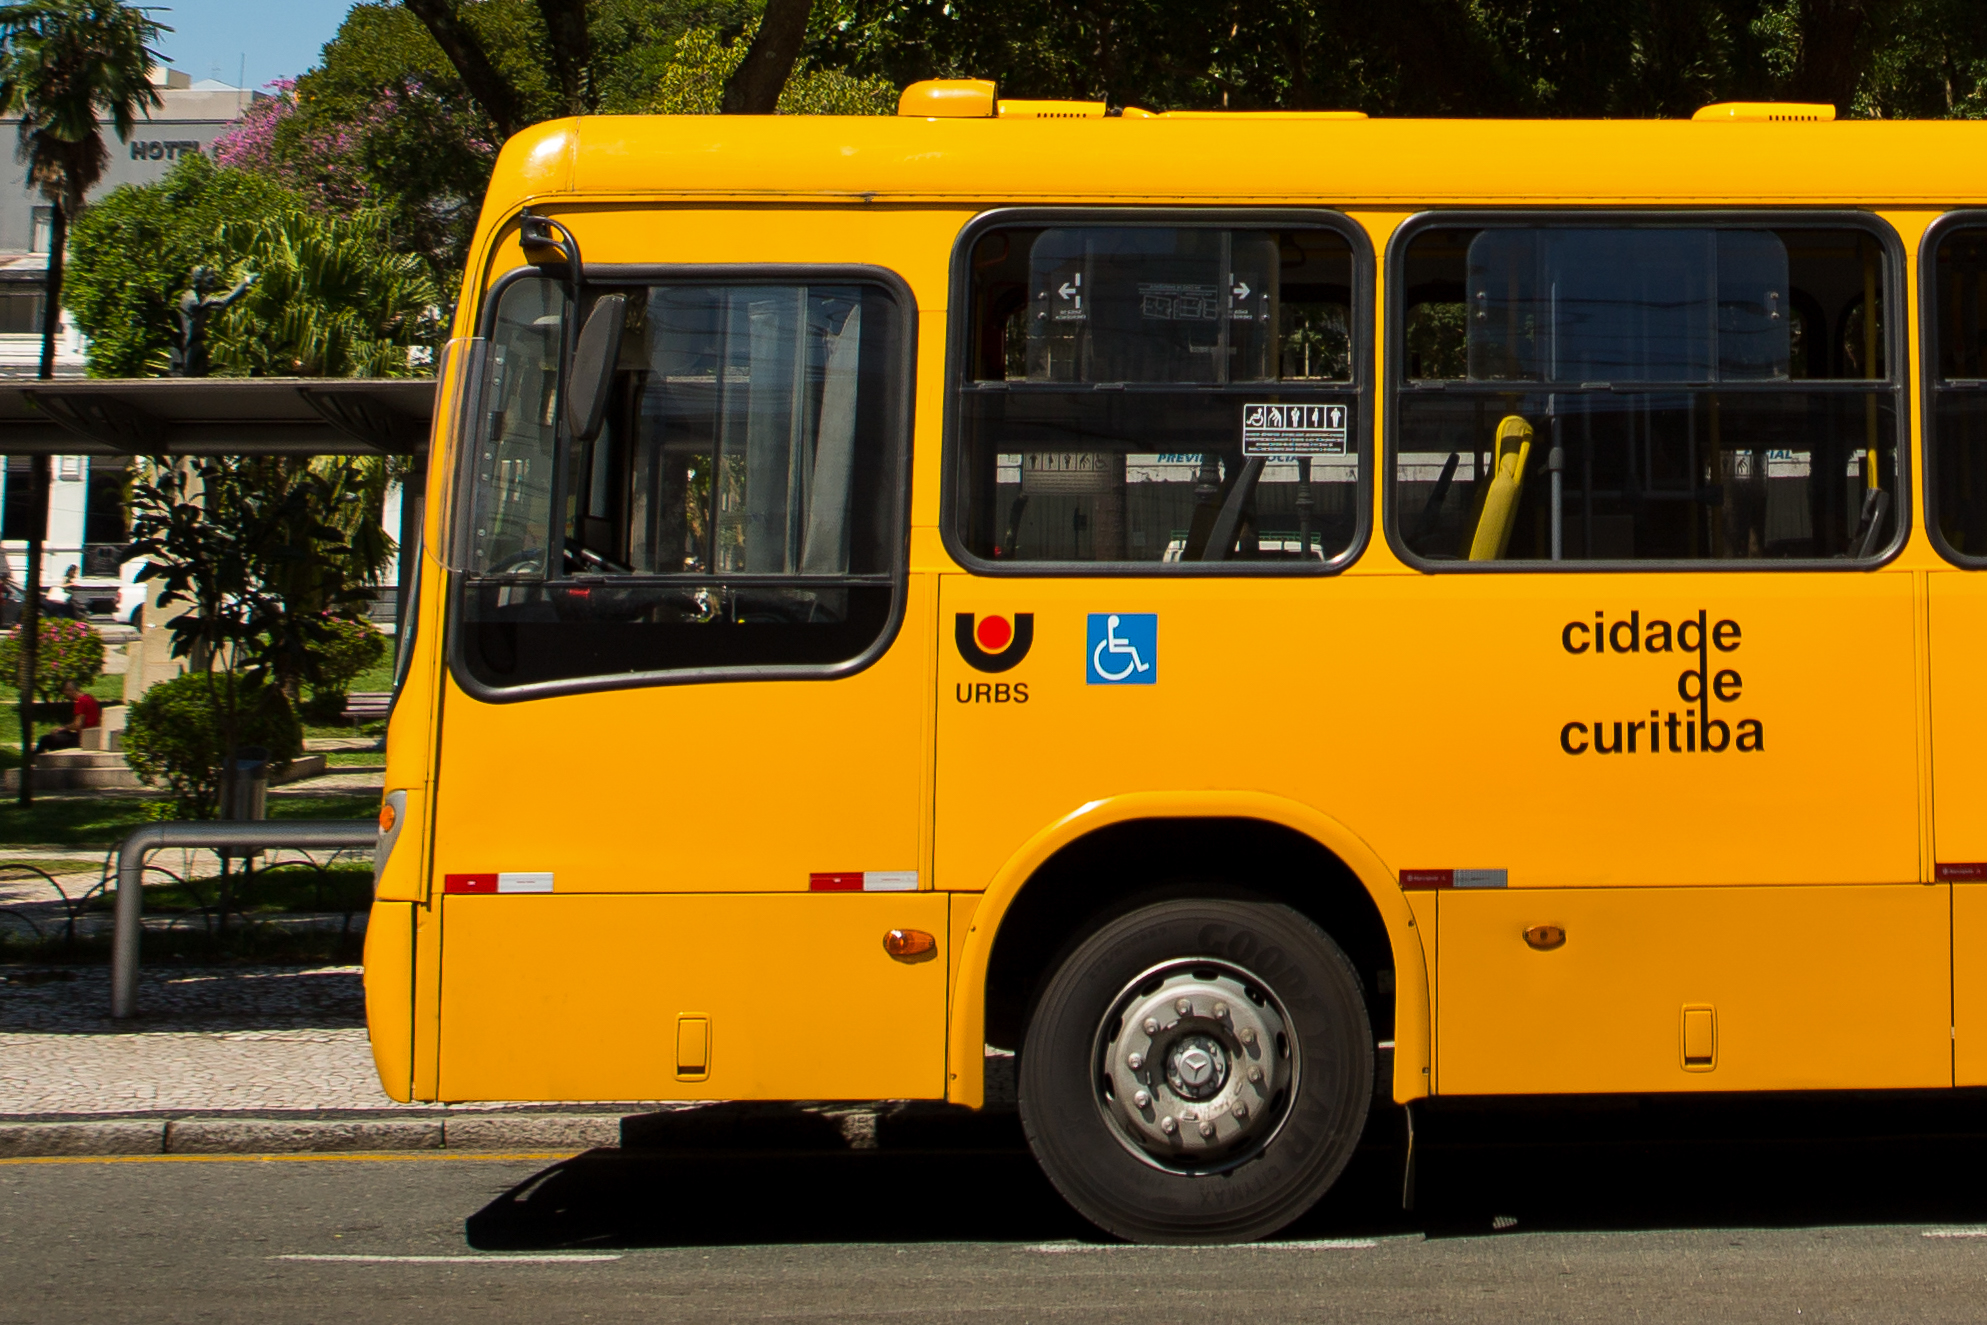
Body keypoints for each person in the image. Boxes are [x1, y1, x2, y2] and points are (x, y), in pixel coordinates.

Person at [34, 679, 100, 754]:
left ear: (70, 690)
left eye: (66, 693)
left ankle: (33, 758)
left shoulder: (80, 702)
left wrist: (62, 728)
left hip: (81, 738)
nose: (66, 696)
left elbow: (77, 724)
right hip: (93, 735)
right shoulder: (90, 698)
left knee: (46, 739)